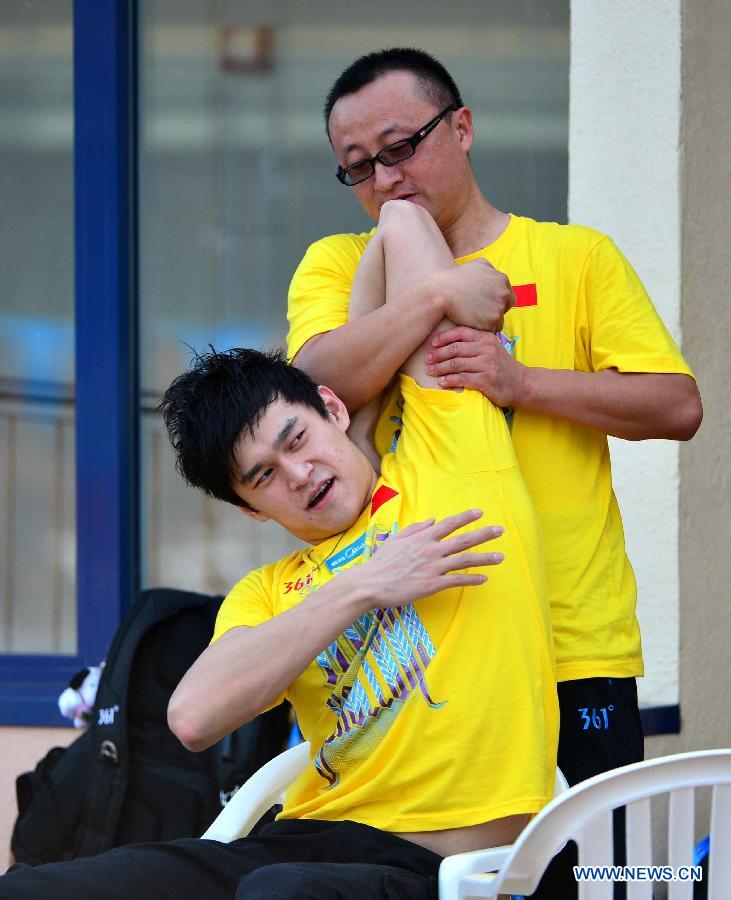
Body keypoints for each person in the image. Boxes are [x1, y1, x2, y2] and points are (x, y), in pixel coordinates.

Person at [1, 201, 558, 899]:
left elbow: (402, 222)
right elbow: (193, 717)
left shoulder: (451, 461)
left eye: (295, 439)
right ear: (248, 509)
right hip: (300, 838)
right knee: (31, 889)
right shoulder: (268, 592)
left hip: (437, 863)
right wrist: (363, 584)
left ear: (332, 406)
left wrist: (439, 294)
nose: (297, 474)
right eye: (263, 475)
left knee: (280, 893)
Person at [288, 47, 702, 822]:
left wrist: (518, 384)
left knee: (591, 875)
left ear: (463, 127)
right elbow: (321, 385)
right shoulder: (339, 262)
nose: (384, 181)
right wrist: (440, 291)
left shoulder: (572, 255)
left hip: (571, 638)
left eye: (401, 147)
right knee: (435, 875)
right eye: (358, 166)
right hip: (416, 643)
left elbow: (675, 406)